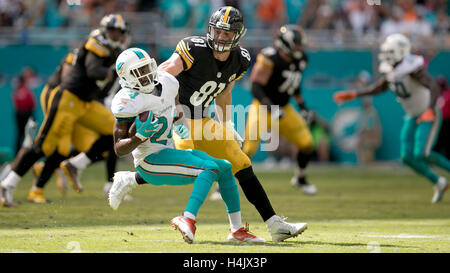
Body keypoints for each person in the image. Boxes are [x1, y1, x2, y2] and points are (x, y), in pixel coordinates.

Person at [158, 6, 307, 241]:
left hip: (203, 120)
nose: (220, 37)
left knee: (239, 161)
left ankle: (271, 224)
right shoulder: (194, 47)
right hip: (181, 119)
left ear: (237, 35)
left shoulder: (241, 59)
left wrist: (226, 123)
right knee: (200, 168)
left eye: (226, 33)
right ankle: (182, 215)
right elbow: (167, 72)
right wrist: (163, 105)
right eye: (217, 31)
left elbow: (224, 92)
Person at [109, 47, 265, 244]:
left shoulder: (167, 81)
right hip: (149, 161)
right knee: (208, 169)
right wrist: (139, 137)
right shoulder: (125, 101)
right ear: (126, 77)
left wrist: (179, 125)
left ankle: (236, 231)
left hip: (167, 150)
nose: (146, 74)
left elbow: (176, 111)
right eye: (138, 72)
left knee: (224, 167)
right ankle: (187, 218)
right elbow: (118, 148)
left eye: (147, 67)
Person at [0, 14, 127, 207]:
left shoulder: (115, 50)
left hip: (86, 103)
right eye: (112, 31)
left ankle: (76, 164)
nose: (114, 35)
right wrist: (114, 71)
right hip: (69, 99)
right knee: (45, 146)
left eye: (118, 32)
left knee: (113, 131)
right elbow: (93, 71)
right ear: (104, 30)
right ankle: (8, 184)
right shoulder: (96, 43)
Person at [334, 33, 450, 204]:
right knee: (406, 157)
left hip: (427, 111)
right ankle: (438, 182)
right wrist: (354, 94)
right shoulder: (390, 70)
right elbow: (379, 88)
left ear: (400, 51)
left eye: (390, 51)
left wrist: (430, 110)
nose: (386, 55)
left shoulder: (412, 67)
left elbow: (433, 86)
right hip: (412, 114)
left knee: (421, 153)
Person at [242, 24, 318, 196]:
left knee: (306, 143)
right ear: (287, 43)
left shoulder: (301, 59)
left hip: (284, 108)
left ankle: (300, 178)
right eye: (297, 43)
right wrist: (270, 107)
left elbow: (294, 86)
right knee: (247, 150)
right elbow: (255, 86)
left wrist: (303, 108)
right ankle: (221, 185)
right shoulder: (270, 58)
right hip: (262, 107)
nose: (300, 47)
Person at [12, 72, 36, 154]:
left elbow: (15, 103)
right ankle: (28, 153)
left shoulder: (16, 91)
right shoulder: (26, 90)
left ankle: (18, 153)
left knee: (20, 135)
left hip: (19, 114)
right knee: (29, 135)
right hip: (27, 114)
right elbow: (33, 104)